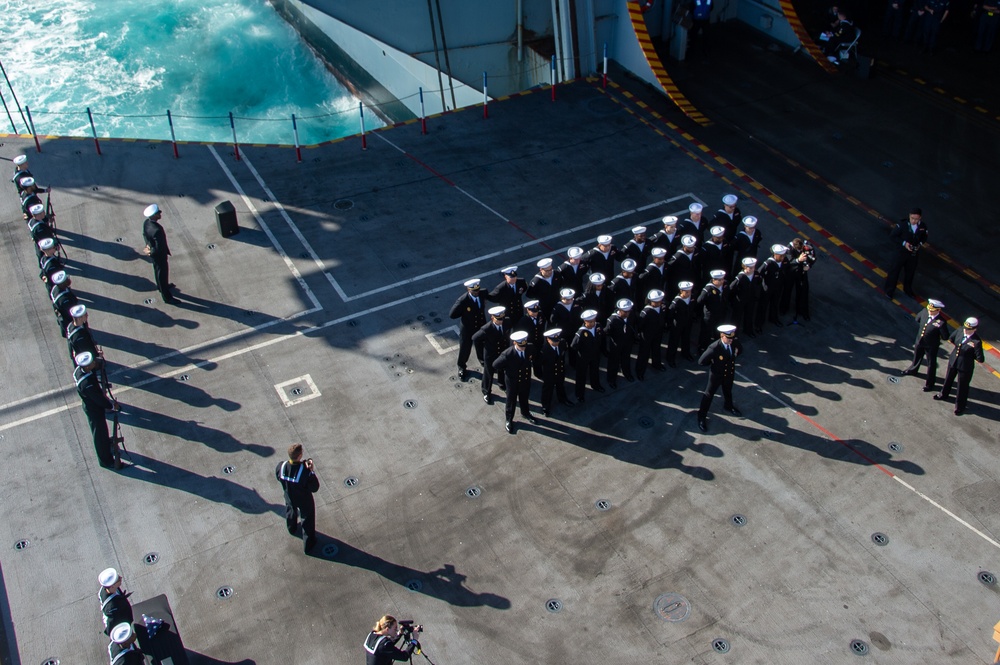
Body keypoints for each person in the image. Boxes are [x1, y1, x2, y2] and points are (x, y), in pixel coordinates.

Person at [74, 351, 118, 468]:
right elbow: (98, 399)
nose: (94, 363)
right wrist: (112, 406)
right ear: (87, 367)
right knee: (99, 434)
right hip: (94, 409)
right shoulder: (87, 384)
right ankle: (106, 460)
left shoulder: (79, 371)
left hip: (91, 406)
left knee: (101, 431)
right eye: (92, 362)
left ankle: (106, 445)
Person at [696, 325, 743, 432]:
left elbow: (740, 350)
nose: (731, 340)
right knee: (708, 394)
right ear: (722, 336)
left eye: (732, 338)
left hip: (729, 373)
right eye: (728, 338)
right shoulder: (714, 347)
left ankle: (728, 406)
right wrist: (713, 362)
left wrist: (736, 353)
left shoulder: (734, 342)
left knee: (728, 390)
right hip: (716, 375)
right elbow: (701, 361)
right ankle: (701, 416)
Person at [934, 317, 985, 415]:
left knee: (962, 386)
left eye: (969, 329)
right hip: (953, 360)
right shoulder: (960, 330)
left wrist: (970, 354)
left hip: (965, 366)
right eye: (966, 328)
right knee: (948, 379)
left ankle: (960, 406)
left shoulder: (976, 341)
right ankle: (943, 394)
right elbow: (952, 339)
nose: (966, 330)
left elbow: (980, 359)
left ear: (975, 329)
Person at [275, 443, 320, 552]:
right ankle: (309, 544)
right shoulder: (305, 471)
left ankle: (292, 528)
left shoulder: (281, 466)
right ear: (299, 456)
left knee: (290, 511)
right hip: (304, 500)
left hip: (289, 496)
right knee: (307, 518)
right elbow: (314, 487)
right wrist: (311, 471)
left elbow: (278, 477)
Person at [493, 330, 538, 434]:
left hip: (525, 379)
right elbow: (495, 365)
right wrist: (507, 370)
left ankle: (525, 413)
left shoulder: (529, 347)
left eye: (524, 345)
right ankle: (509, 419)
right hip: (513, 382)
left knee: (524, 397)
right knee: (511, 401)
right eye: (520, 346)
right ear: (514, 343)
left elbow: (534, 356)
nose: (523, 348)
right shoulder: (508, 354)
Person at [900, 299, 948, 392]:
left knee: (931, 364)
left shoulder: (941, 322)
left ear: (938, 310)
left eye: (932, 311)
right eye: (929, 309)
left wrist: (939, 330)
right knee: (917, 356)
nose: (930, 312)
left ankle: (930, 384)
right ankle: (913, 370)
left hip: (931, 346)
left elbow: (945, 336)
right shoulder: (924, 311)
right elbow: (917, 319)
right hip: (920, 341)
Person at [883, 208, 928, 299]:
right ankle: (889, 291)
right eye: (912, 218)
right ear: (909, 216)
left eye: (916, 219)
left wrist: (919, 244)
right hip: (900, 253)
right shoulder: (902, 225)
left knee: (910, 273)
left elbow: (924, 237)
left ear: (920, 218)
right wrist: (904, 243)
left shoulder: (922, 226)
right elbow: (893, 236)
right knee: (894, 272)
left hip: (912, 254)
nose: (914, 221)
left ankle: (908, 290)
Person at [449, 278, 487, 381]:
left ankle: (483, 361)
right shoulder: (463, 300)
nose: (476, 292)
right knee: (465, 348)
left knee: (481, 345)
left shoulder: (482, 294)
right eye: (474, 291)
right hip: (468, 329)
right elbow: (452, 314)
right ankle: (461, 366)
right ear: (468, 289)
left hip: (480, 326)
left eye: (477, 290)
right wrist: (465, 314)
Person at [472, 306, 511, 404]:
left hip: (502, 352)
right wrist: (481, 355)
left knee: (502, 369)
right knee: (489, 373)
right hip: (491, 354)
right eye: (498, 319)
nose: (501, 321)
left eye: (502, 318)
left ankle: (502, 384)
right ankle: (486, 391)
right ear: (492, 318)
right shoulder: (487, 329)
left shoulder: (506, 322)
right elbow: (475, 338)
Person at [142, 204, 175, 304]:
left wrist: (148, 248)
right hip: (159, 256)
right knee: (162, 273)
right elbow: (159, 247)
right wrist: (152, 252)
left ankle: (161, 286)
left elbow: (145, 236)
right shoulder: (157, 230)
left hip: (154, 254)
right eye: (158, 213)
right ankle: (166, 296)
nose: (160, 213)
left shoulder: (146, 223)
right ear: (154, 216)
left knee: (157, 271)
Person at [536, 328, 573, 416]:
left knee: (560, 385)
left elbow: (563, 353)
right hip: (549, 374)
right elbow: (538, 363)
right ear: (548, 339)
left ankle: (563, 399)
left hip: (560, 371)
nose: (556, 343)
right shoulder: (544, 351)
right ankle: (545, 406)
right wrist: (540, 375)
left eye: (557, 340)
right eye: (554, 341)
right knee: (548, 390)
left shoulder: (562, 343)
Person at [570, 309, 605, 401]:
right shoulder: (581, 333)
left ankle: (596, 385)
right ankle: (579, 394)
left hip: (595, 354)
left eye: (594, 321)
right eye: (590, 322)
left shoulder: (598, 326)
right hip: (583, 357)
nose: (592, 323)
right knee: (581, 375)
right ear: (585, 321)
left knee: (595, 371)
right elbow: (574, 346)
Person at [635, 290, 668, 380]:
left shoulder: (661, 308)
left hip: (657, 333)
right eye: (656, 302)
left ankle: (656, 364)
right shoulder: (646, 312)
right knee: (644, 353)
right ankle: (640, 371)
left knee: (656, 349)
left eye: (660, 301)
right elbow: (640, 325)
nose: (658, 303)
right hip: (646, 335)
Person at [605, 298, 637, 388]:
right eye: (625, 312)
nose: (627, 314)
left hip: (627, 342)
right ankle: (611, 379)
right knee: (613, 362)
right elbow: (607, 331)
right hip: (616, 344)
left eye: (628, 311)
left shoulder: (631, 315)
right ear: (620, 310)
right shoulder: (613, 320)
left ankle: (627, 373)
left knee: (626, 359)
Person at [784, 238, 816, 321]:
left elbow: (813, 257)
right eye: (799, 249)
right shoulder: (789, 249)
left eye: (802, 249)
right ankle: (784, 309)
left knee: (803, 291)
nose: (801, 251)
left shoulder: (808, 246)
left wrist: (809, 266)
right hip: (791, 272)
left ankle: (802, 311)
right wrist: (798, 260)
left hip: (802, 272)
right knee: (787, 290)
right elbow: (788, 261)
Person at [665, 282, 696, 367]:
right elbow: (670, 314)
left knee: (686, 338)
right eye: (686, 292)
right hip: (677, 324)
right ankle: (670, 358)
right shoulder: (676, 301)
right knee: (674, 341)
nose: (688, 293)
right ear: (681, 291)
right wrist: (670, 324)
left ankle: (686, 353)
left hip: (688, 322)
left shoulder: (692, 297)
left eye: (689, 291)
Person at [697, 270, 728, 352]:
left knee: (718, 332)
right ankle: (703, 348)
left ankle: (717, 347)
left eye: (722, 279)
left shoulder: (724, 285)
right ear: (714, 280)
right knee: (706, 333)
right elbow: (699, 301)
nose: (722, 282)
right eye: (719, 280)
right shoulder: (708, 289)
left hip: (720, 313)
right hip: (710, 315)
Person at [98, 568, 132, 636]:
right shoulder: (112, 606)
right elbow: (112, 622)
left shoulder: (104, 589)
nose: (121, 578)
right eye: (118, 579)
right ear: (113, 586)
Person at [526, 258, 560, 322]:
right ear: (541, 270)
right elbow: (530, 294)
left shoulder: (556, 274)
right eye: (547, 271)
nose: (550, 272)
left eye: (550, 269)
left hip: (557, 303)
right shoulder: (536, 281)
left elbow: (561, 283)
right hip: (546, 307)